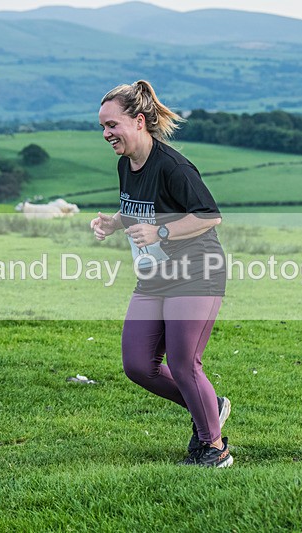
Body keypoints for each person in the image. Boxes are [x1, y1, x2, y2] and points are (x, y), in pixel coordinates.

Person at [90, 80, 232, 467]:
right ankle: (211, 405)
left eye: (112, 125)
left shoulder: (173, 166)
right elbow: (139, 208)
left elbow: (209, 216)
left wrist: (161, 232)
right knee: (138, 364)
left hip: (196, 271)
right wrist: (114, 222)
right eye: (102, 127)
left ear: (138, 121)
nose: (106, 134)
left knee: (184, 364)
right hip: (154, 276)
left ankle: (214, 448)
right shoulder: (126, 164)